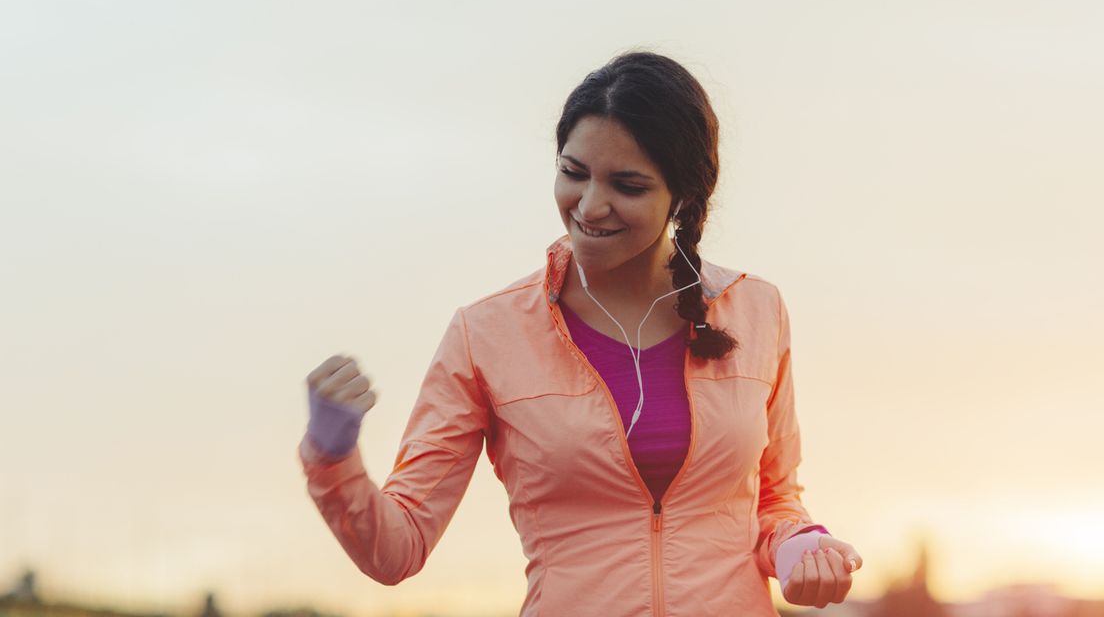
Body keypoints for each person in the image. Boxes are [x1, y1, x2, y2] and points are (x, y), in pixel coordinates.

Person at [298, 50, 863, 615]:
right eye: (573, 173)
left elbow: (775, 498)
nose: (590, 207)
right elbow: (397, 550)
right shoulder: (485, 334)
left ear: (684, 195)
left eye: (628, 185)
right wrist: (333, 455)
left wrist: (799, 546)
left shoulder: (756, 309)